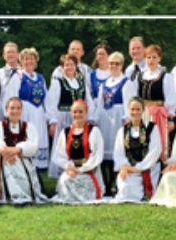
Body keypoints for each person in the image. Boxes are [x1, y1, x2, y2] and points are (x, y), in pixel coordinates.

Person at [0, 97, 47, 205]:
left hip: (22, 160)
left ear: (22, 110)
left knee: (18, 163)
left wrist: (17, 149)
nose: (15, 111)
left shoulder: (29, 127)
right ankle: (12, 195)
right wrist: (5, 151)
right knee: (7, 163)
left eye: (18, 108)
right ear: (6, 110)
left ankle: (23, 194)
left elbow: (33, 147)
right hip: (2, 160)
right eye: (12, 108)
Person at [123, 44, 176, 160]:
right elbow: (135, 96)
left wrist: (171, 119)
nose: (151, 60)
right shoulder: (140, 76)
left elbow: (171, 98)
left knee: (159, 142)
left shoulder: (166, 76)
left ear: (159, 58)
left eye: (154, 57)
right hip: (143, 114)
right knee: (143, 140)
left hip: (159, 115)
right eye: (148, 57)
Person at [1, 47, 50, 171]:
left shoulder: (40, 78)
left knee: (37, 138)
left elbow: (47, 99)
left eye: (32, 59)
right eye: (26, 59)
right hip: (24, 113)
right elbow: (10, 97)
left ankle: (37, 172)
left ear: (36, 61)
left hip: (39, 113)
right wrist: (11, 116)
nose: (29, 61)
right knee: (26, 138)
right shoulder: (18, 76)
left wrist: (49, 117)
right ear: (21, 61)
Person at [46, 54, 94, 179]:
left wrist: (91, 118)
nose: (69, 67)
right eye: (66, 65)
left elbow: (89, 101)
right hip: (63, 119)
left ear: (76, 66)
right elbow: (51, 103)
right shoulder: (58, 82)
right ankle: (62, 174)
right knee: (63, 145)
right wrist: (52, 121)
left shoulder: (81, 83)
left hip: (79, 119)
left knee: (78, 145)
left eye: (71, 65)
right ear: (62, 67)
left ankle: (78, 171)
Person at [52, 100, 105, 204]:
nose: (78, 114)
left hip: (89, 171)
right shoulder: (65, 132)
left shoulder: (94, 131)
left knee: (81, 183)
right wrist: (69, 167)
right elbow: (59, 155)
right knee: (65, 180)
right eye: (75, 112)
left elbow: (97, 156)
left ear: (86, 113)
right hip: (71, 170)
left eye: (81, 112)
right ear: (71, 113)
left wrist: (80, 169)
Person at [113, 97, 162, 203]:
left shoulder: (152, 128)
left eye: (138, 109)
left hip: (148, 169)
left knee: (135, 187)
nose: (135, 112)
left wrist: (138, 168)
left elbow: (155, 152)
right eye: (132, 109)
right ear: (128, 110)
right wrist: (126, 167)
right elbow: (119, 153)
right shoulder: (122, 131)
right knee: (125, 185)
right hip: (129, 169)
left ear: (143, 110)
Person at [94, 51, 128, 197]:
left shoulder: (126, 81)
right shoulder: (105, 83)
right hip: (105, 119)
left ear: (122, 65)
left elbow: (128, 101)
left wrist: (127, 118)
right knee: (105, 150)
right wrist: (95, 119)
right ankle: (106, 184)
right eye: (111, 63)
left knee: (116, 150)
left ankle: (114, 183)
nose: (114, 66)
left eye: (117, 63)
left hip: (118, 118)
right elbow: (100, 103)